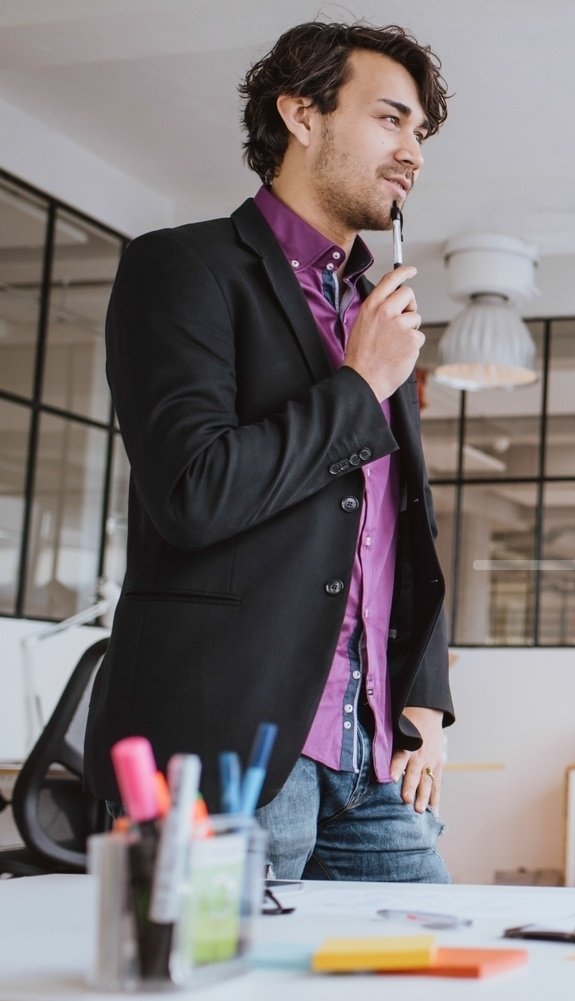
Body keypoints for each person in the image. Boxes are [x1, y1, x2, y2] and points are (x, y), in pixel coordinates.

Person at [84, 22, 455, 883]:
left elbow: (401, 523)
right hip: (227, 751)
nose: (414, 153)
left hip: (372, 761)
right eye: (392, 120)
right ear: (302, 114)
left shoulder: (372, 310)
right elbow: (194, 489)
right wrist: (359, 388)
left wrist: (424, 692)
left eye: (421, 135)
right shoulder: (182, 269)